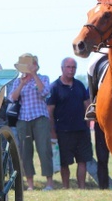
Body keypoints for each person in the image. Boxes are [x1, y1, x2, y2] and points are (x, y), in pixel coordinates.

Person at [7, 53, 54, 191]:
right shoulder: (18, 81)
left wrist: (34, 75)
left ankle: (49, 183)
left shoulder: (43, 78)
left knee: (44, 150)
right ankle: (30, 184)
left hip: (40, 117)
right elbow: (12, 98)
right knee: (25, 152)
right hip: (23, 119)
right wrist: (21, 84)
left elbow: (45, 92)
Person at [47, 58, 93, 189]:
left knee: (82, 160)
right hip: (63, 131)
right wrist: (53, 131)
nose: (71, 70)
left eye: (73, 67)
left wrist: (88, 123)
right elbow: (50, 111)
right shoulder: (54, 87)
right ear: (62, 68)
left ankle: (82, 187)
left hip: (81, 129)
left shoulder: (79, 85)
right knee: (64, 163)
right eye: (68, 67)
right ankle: (66, 187)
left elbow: (87, 104)